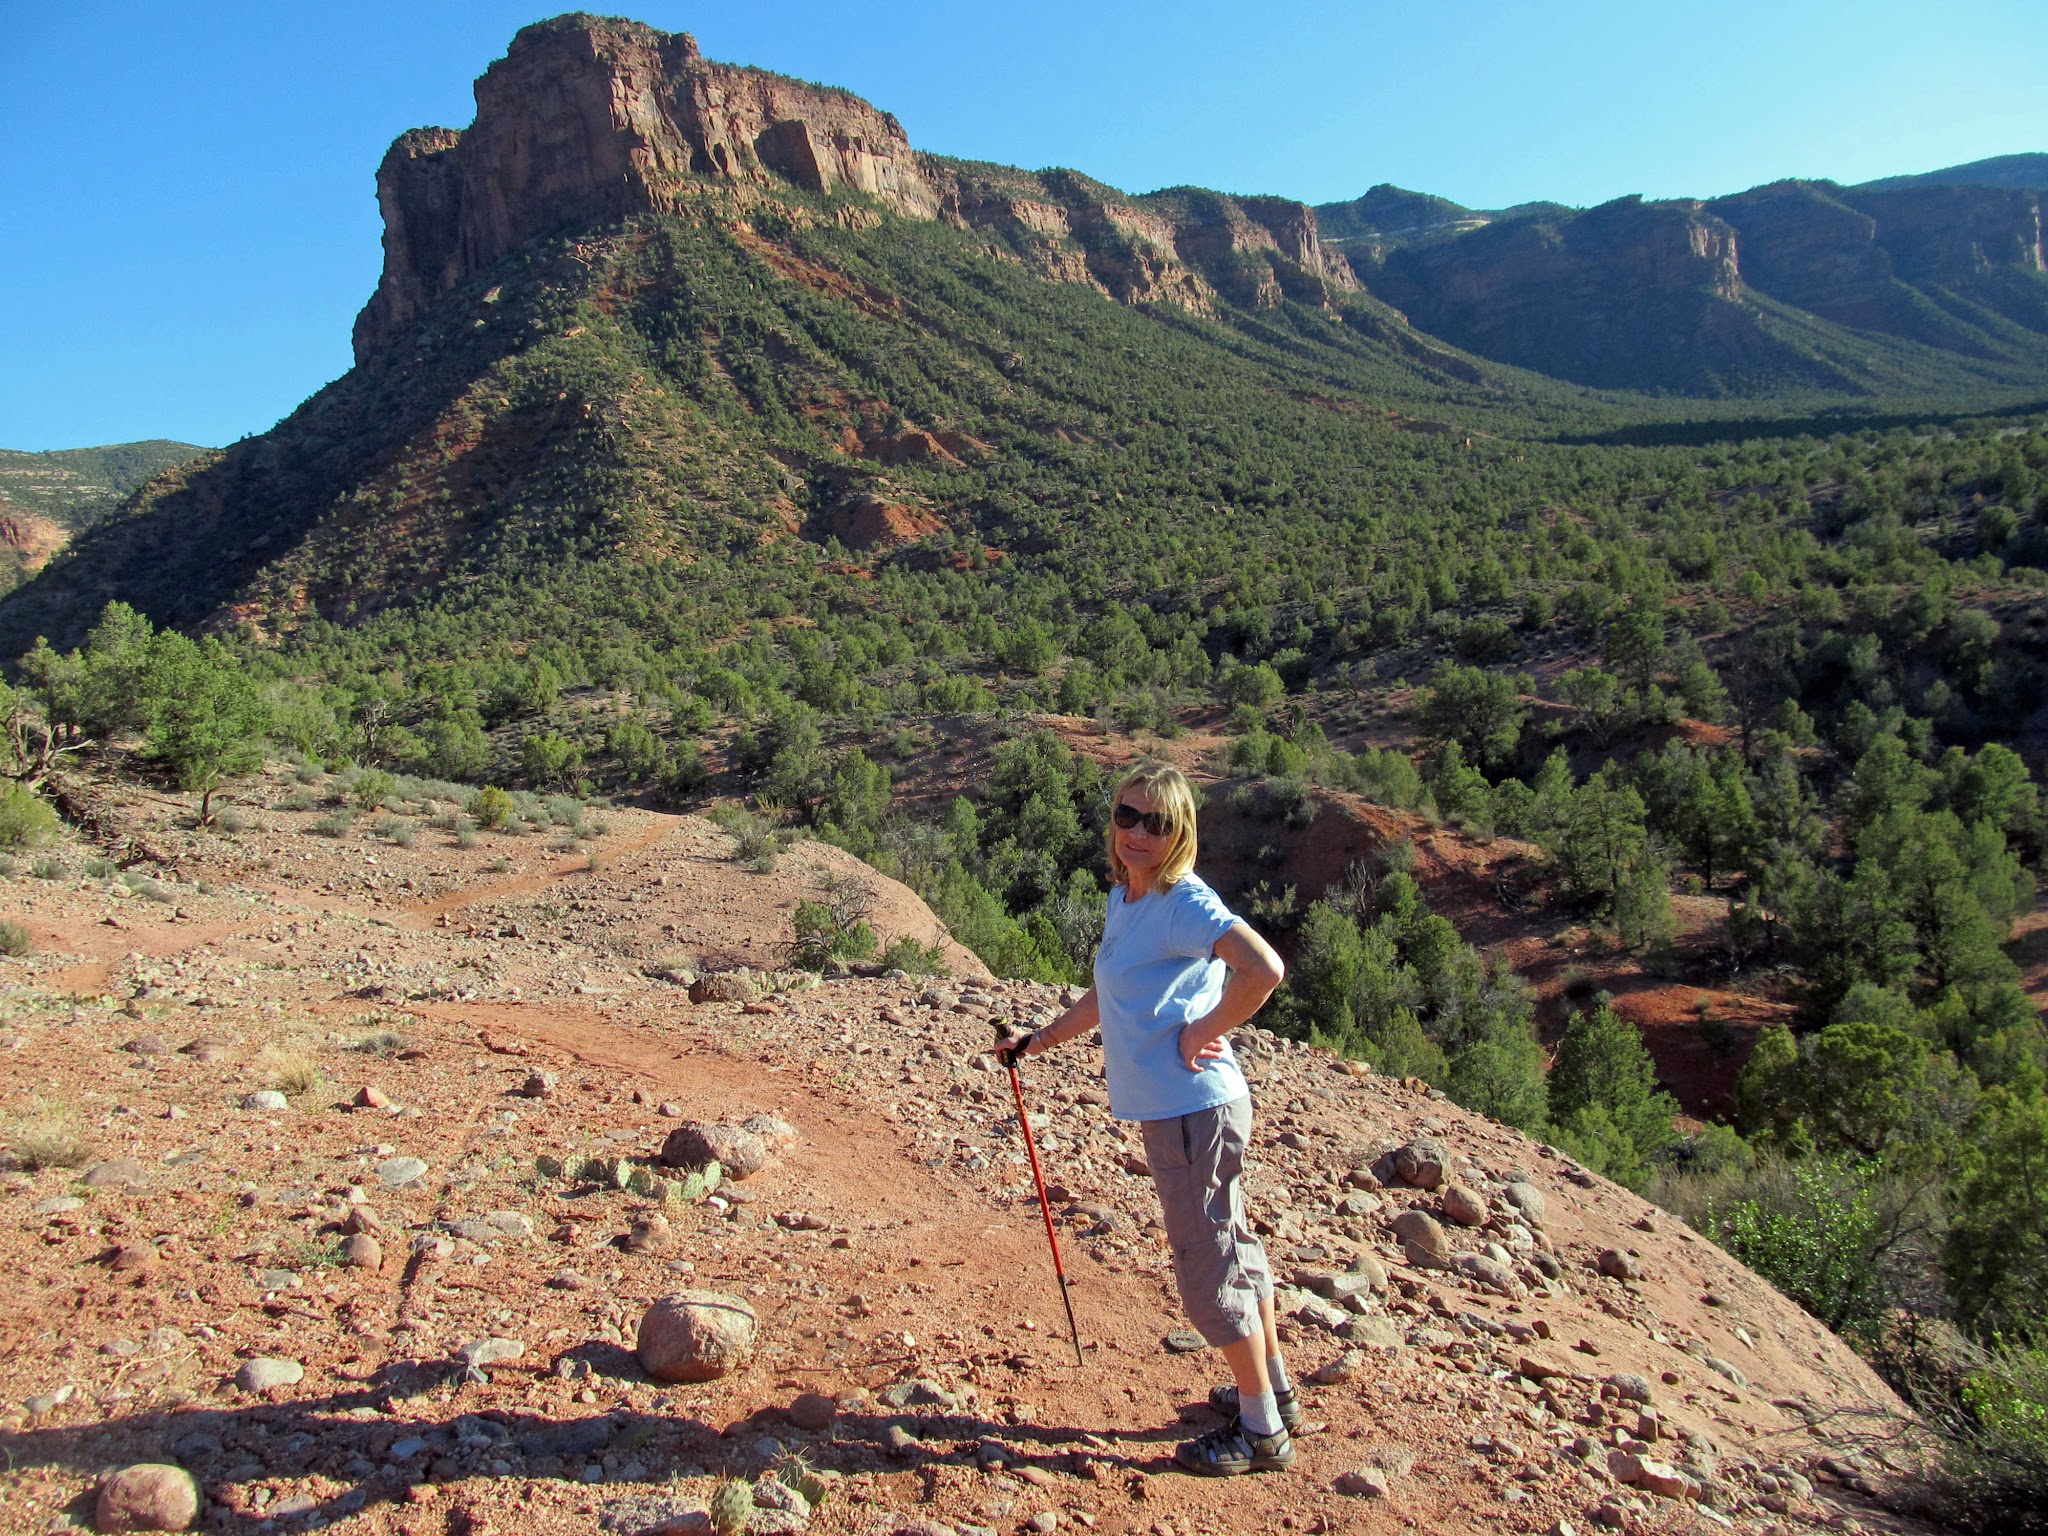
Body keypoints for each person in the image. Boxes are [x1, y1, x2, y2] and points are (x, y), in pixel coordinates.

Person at [995, 761, 1295, 1476]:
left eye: (1156, 823)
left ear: (1179, 832)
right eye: (1128, 816)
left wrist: (1204, 1029)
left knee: (1209, 1265)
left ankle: (1260, 1434)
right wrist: (1037, 1041)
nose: (1137, 832)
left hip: (1195, 1108)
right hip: (1183, 1112)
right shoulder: (1126, 900)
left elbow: (1264, 968)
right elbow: (1107, 997)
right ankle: (1274, 1392)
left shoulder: (1182, 901)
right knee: (1232, 1245)